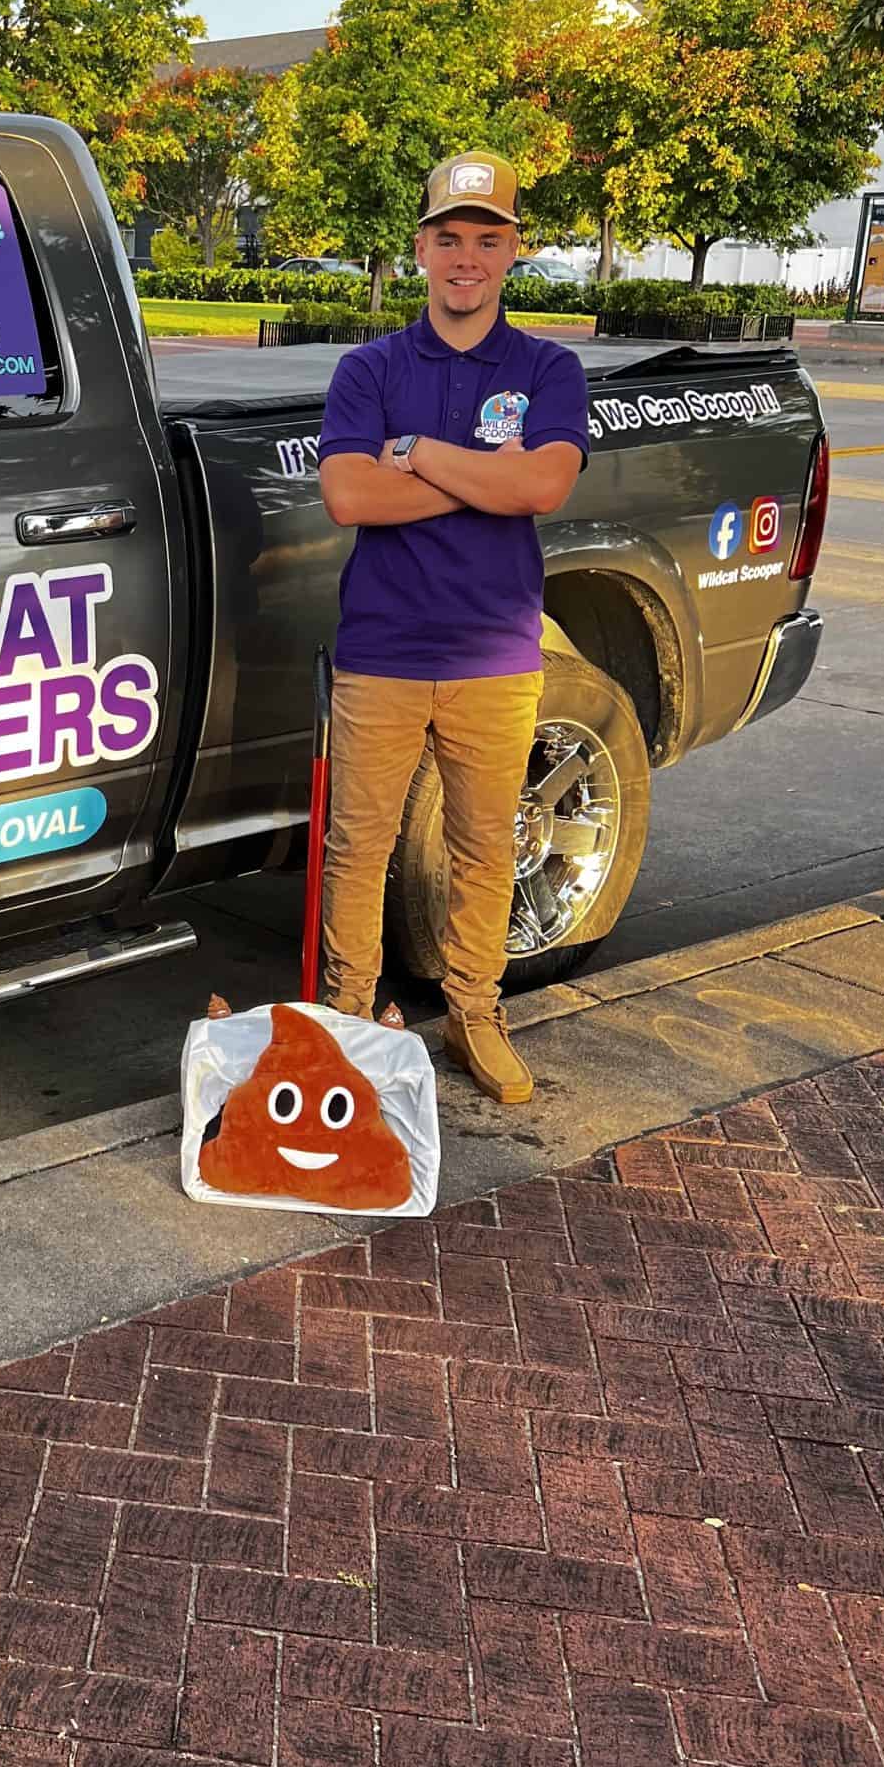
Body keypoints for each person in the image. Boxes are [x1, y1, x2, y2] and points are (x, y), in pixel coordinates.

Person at [314, 154, 589, 1105]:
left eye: (487, 238)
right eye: (449, 238)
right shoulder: (370, 368)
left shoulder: (547, 366)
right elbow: (350, 495)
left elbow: (542, 486)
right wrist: (484, 477)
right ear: (422, 247)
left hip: (496, 655)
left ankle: (476, 1009)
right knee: (359, 848)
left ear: (514, 251)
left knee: (483, 846)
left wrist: (421, 456)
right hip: (383, 651)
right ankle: (348, 1022)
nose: (466, 258)